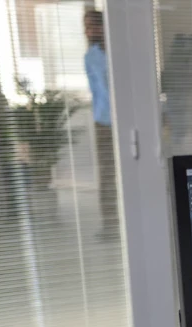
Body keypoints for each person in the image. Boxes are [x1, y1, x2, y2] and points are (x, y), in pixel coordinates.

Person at [84, 10, 117, 238]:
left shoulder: (119, 52)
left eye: (93, 25)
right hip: (104, 121)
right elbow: (98, 91)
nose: (89, 31)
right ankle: (110, 224)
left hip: (125, 120)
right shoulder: (91, 56)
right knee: (107, 173)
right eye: (86, 27)